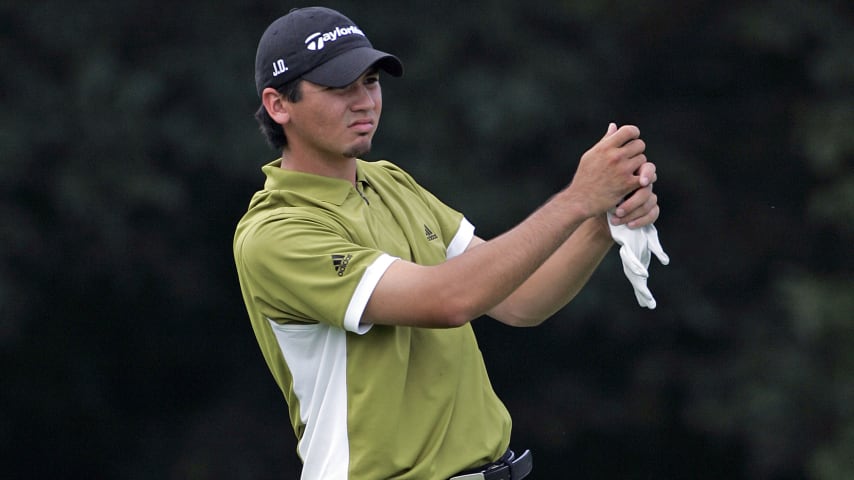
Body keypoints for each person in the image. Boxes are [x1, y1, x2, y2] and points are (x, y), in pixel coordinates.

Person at [234, 6, 661, 480]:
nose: (364, 102)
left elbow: (520, 301)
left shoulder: (390, 182)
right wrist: (577, 199)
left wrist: (600, 222)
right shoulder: (275, 232)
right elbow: (449, 300)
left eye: (371, 82)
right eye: (339, 88)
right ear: (278, 104)